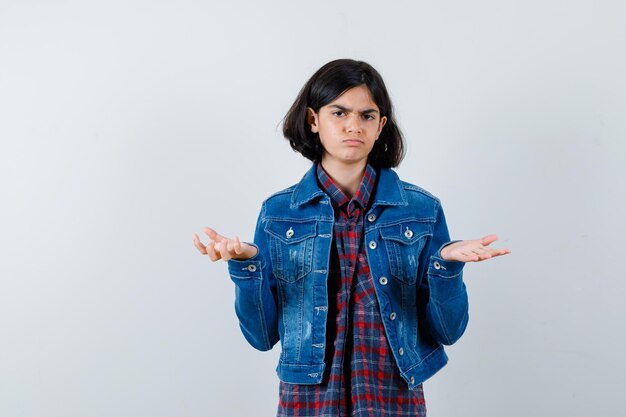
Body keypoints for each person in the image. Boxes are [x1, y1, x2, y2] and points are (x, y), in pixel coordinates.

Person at [193, 59, 510, 416]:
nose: (353, 126)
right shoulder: (279, 214)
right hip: (308, 403)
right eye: (339, 113)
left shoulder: (421, 210)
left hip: (392, 400)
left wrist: (447, 268)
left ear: (381, 126)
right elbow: (261, 337)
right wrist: (246, 267)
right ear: (314, 120)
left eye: (366, 116)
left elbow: (448, 331)